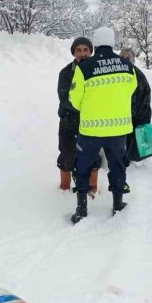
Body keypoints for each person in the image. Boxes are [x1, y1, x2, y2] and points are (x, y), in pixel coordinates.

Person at [68, 27, 137, 223]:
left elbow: (75, 99)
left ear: (95, 45)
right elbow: (130, 90)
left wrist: (91, 108)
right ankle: (117, 204)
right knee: (117, 166)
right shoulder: (126, 65)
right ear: (113, 42)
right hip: (118, 129)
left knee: (82, 167)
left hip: (91, 129)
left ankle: (81, 210)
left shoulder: (84, 68)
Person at [57, 37, 100, 193]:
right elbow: (64, 98)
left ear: (91, 51)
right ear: (74, 53)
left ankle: (93, 188)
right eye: (79, 50)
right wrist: (86, 106)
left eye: (86, 50)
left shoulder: (98, 70)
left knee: (92, 156)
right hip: (69, 121)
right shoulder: (66, 73)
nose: (83, 53)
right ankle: (64, 188)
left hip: (92, 123)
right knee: (67, 154)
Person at [119, 49, 152, 165]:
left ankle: (128, 158)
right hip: (119, 115)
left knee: (133, 141)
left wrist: (144, 118)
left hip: (135, 115)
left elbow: (145, 98)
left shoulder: (139, 76)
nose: (125, 59)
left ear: (133, 59)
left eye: (128, 57)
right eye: (123, 57)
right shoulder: (115, 75)